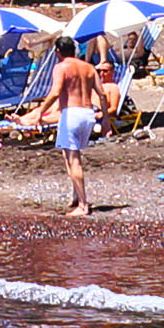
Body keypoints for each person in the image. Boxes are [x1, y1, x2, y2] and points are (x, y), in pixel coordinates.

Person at [31, 43, 108, 214]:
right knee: (69, 154)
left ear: (58, 52)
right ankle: (75, 195)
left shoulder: (61, 67)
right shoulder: (88, 67)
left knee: (74, 160)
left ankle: (83, 204)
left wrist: (40, 112)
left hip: (71, 114)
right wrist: (106, 120)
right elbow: (102, 94)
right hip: (88, 114)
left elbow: (55, 92)